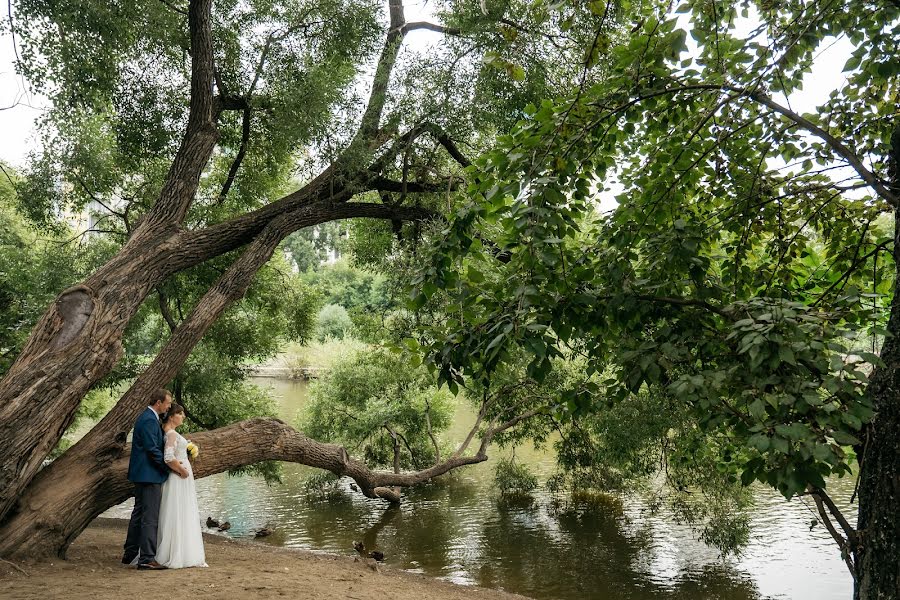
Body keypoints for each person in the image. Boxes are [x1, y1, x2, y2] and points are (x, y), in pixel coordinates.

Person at [122, 388, 179, 570]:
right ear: (158, 403)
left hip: (143, 474)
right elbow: (151, 449)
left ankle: (130, 553)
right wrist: (167, 467)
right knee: (149, 517)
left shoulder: (149, 418)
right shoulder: (148, 419)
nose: (169, 406)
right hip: (149, 475)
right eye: (168, 403)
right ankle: (146, 558)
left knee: (139, 514)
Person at [156, 403, 207, 568]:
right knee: (178, 512)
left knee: (179, 511)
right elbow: (168, 457)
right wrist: (182, 471)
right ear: (171, 416)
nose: (183, 416)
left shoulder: (170, 433)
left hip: (179, 479)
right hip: (178, 479)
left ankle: (180, 550)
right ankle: (176, 553)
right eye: (180, 413)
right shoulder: (171, 434)